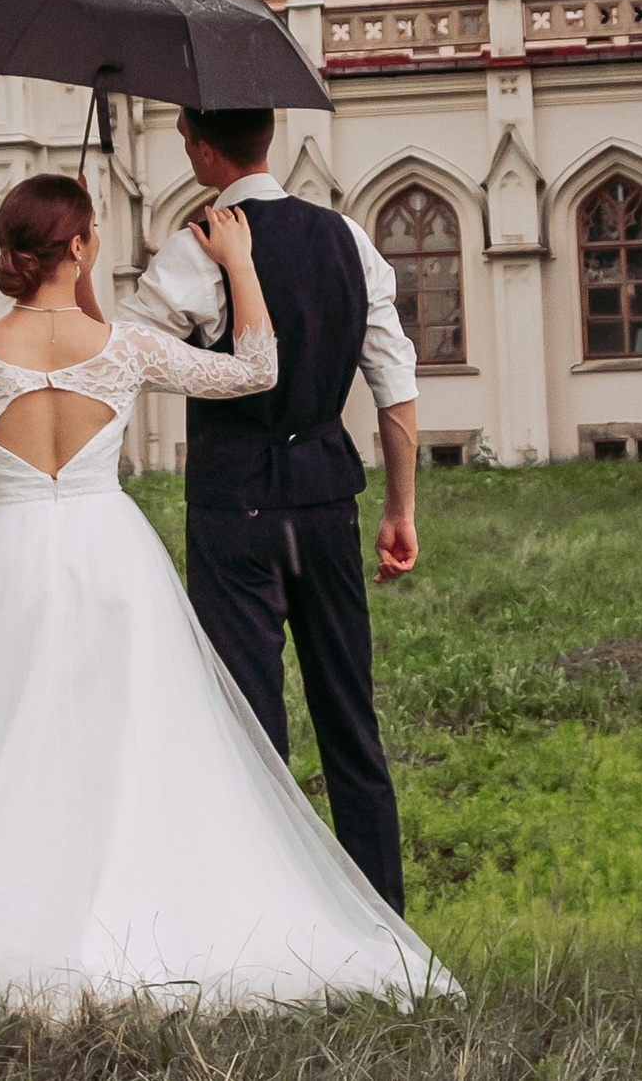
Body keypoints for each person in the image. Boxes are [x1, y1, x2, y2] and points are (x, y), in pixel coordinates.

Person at [0, 174, 456, 1024]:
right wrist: (241, 263)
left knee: (18, 746)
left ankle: (24, 917)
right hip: (111, 559)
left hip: (14, 563)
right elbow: (257, 369)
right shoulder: (122, 348)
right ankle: (132, 911)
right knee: (127, 747)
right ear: (79, 248)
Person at [115, 107, 422, 914]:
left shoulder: (195, 246)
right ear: (270, 138)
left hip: (235, 504)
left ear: (205, 149)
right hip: (325, 501)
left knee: (249, 724)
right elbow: (396, 385)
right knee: (348, 714)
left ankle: (269, 920)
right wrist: (401, 508)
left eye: (188, 142)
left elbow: (125, 354)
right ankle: (383, 918)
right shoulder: (349, 240)